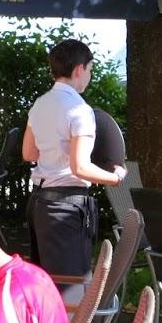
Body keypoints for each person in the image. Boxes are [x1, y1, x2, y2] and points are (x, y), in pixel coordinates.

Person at [22, 38, 126, 303]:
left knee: (46, 289)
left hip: (39, 204)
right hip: (66, 208)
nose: (89, 76)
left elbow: (29, 154)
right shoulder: (80, 110)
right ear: (79, 69)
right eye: (90, 70)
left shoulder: (40, 104)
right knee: (71, 295)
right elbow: (80, 167)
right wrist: (114, 178)